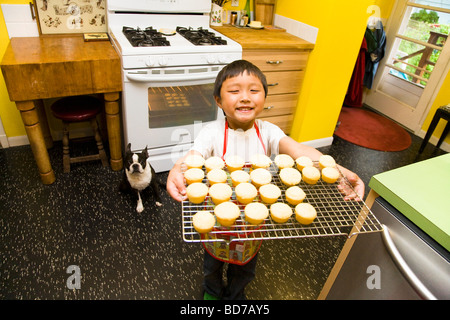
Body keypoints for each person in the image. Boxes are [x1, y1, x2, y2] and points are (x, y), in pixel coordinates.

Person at [167, 60, 364, 300]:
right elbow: (194, 156)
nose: (245, 97)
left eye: (254, 90)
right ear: (218, 100)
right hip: (217, 219)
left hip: (254, 222)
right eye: (234, 90)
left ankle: (236, 296)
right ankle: (212, 292)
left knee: (245, 269)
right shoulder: (212, 133)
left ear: (264, 98)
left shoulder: (269, 131)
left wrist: (342, 171)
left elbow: (300, 151)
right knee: (212, 267)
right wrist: (178, 168)